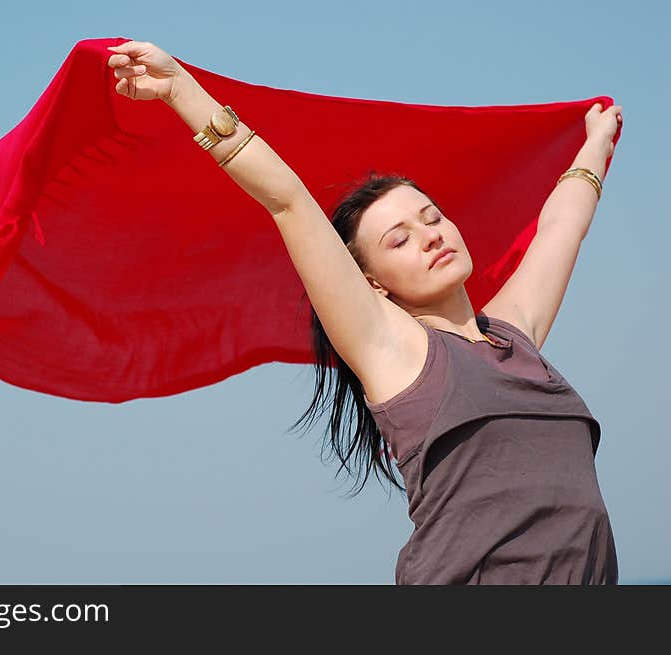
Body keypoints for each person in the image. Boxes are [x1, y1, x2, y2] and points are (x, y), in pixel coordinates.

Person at [106, 39, 623, 584]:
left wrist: (595, 143)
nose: (430, 237)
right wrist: (181, 90)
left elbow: (563, 226)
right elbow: (287, 199)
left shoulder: (515, 335)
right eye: (399, 240)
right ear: (372, 283)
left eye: (432, 217)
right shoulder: (395, 352)